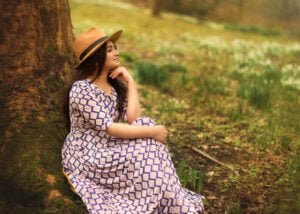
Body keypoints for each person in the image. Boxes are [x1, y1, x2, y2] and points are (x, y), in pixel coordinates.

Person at [61, 27, 205, 213]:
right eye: (110, 50)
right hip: (89, 154)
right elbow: (110, 128)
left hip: (109, 145)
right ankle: (166, 204)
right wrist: (152, 133)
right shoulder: (82, 89)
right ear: (95, 59)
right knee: (148, 138)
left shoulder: (113, 86)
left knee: (146, 125)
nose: (117, 53)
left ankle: (172, 203)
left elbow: (132, 118)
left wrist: (130, 82)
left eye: (115, 48)